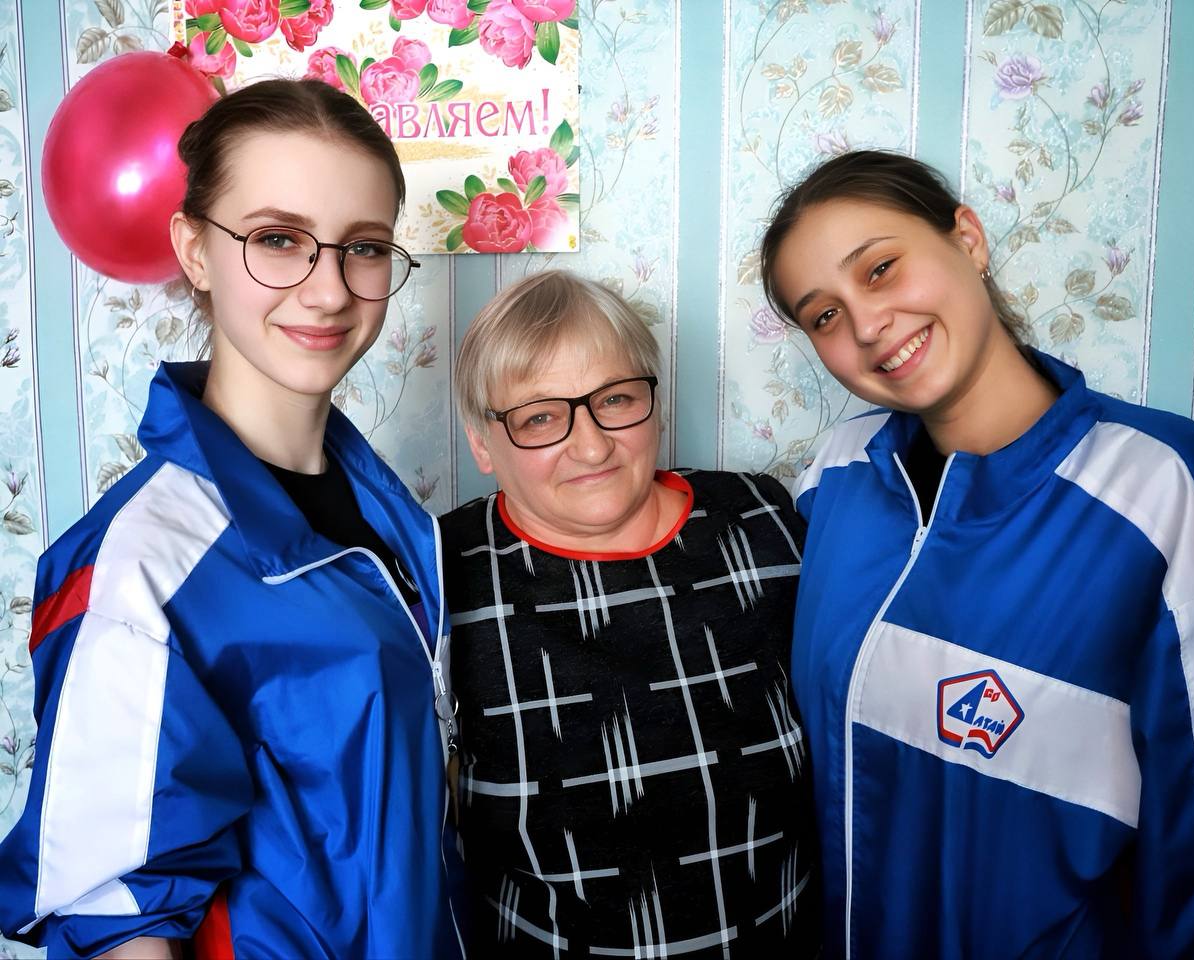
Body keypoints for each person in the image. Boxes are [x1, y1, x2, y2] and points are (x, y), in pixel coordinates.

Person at [759, 148, 1194, 958]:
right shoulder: (837, 475)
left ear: (967, 239)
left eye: (881, 268)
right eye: (824, 315)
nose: (865, 326)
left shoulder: (1166, 485)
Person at [0, 79, 464, 958]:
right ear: (196, 250)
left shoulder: (389, 516)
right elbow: (119, 917)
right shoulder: (146, 562)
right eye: (278, 239)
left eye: (364, 247)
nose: (328, 291)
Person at [441, 270, 820, 957]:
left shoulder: (763, 521)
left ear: (656, 403)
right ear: (482, 444)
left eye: (616, 399)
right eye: (539, 417)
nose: (591, 446)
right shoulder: (444, 573)